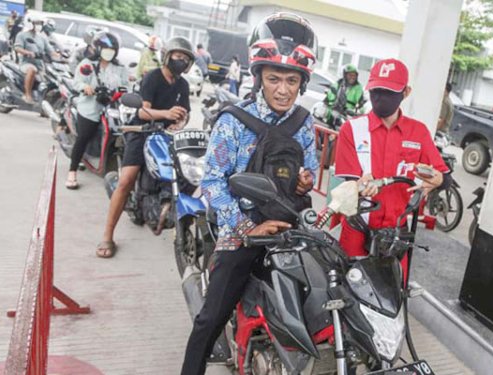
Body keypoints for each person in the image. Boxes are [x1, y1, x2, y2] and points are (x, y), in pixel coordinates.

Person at [181, 13, 318, 374]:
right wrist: (245, 229)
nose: (283, 89)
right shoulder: (233, 121)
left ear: (302, 82)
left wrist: (305, 181)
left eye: (292, 80)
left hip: (288, 225)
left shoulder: (304, 123)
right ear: (258, 78)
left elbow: (310, 171)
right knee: (209, 319)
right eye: (274, 79)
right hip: (242, 230)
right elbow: (212, 182)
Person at [334, 58, 449, 275]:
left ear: (405, 92)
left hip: (396, 234)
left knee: (391, 297)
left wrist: (438, 181)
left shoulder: (418, 132)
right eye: (375, 90)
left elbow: (443, 175)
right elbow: (347, 183)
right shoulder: (352, 129)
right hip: (358, 230)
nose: (380, 97)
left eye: (388, 92)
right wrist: (357, 185)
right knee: (348, 292)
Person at [95, 36, 193, 258]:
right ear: (167, 56)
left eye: (186, 59)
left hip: (167, 135)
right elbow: (141, 111)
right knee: (126, 180)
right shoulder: (152, 77)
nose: (182, 61)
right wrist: (166, 114)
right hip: (142, 131)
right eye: (178, 57)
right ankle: (107, 236)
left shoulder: (183, 85)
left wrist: (180, 121)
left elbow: (184, 113)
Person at [65, 32, 129, 190]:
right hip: (90, 108)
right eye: (106, 48)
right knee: (84, 137)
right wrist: (85, 87)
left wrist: (124, 92)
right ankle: (72, 171)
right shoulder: (87, 65)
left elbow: (126, 85)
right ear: (98, 48)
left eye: (112, 49)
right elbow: (77, 82)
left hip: (112, 108)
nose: (109, 51)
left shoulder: (119, 67)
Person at [13, 14, 55, 104]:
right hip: (26, 63)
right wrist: (28, 53)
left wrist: (60, 56)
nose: (39, 25)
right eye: (37, 23)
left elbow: (50, 50)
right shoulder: (22, 35)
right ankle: (27, 94)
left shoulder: (42, 37)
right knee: (32, 70)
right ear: (30, 23)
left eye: (40, 23)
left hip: (41, 65)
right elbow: (17, 48)